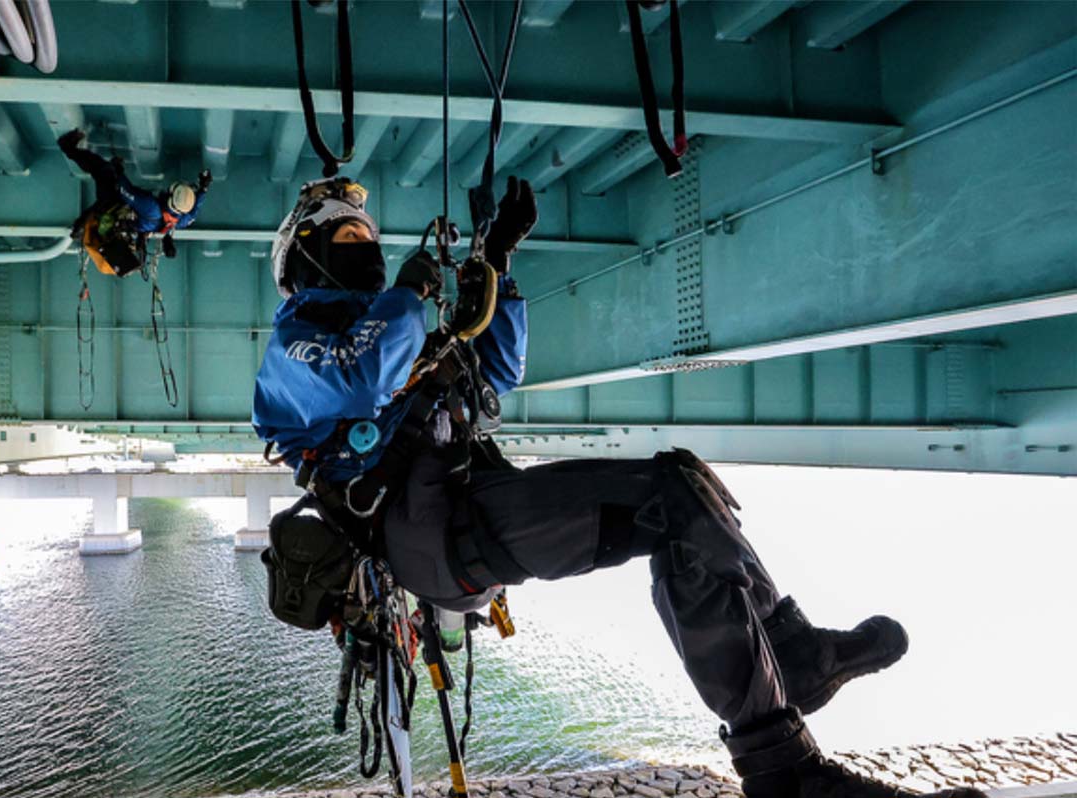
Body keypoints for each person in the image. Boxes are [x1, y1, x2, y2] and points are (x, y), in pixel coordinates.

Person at [251, 176, 986, 798]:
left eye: (369, 242)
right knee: (667, 498)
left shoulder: (400, 330)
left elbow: (497, 371)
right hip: (425, 533)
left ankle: (788, 655)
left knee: (679, 490)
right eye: (348, 243)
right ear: (306, 260)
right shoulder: (297, 348)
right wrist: (411, 297)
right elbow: (361, 375)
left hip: (463, 511)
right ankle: (786, 771)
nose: (368, 252)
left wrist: (498, 262)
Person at [57, 128, 212, 261]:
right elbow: (194, 209)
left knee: (102, 172)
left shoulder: (151, 208)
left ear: (171, 195)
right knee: (101, 201)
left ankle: (67, 147)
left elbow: (125, 192)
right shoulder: (182, 218)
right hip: (131, 217)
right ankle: (80, 226)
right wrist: (203, 188)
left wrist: (118, 170)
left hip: (117, 203)